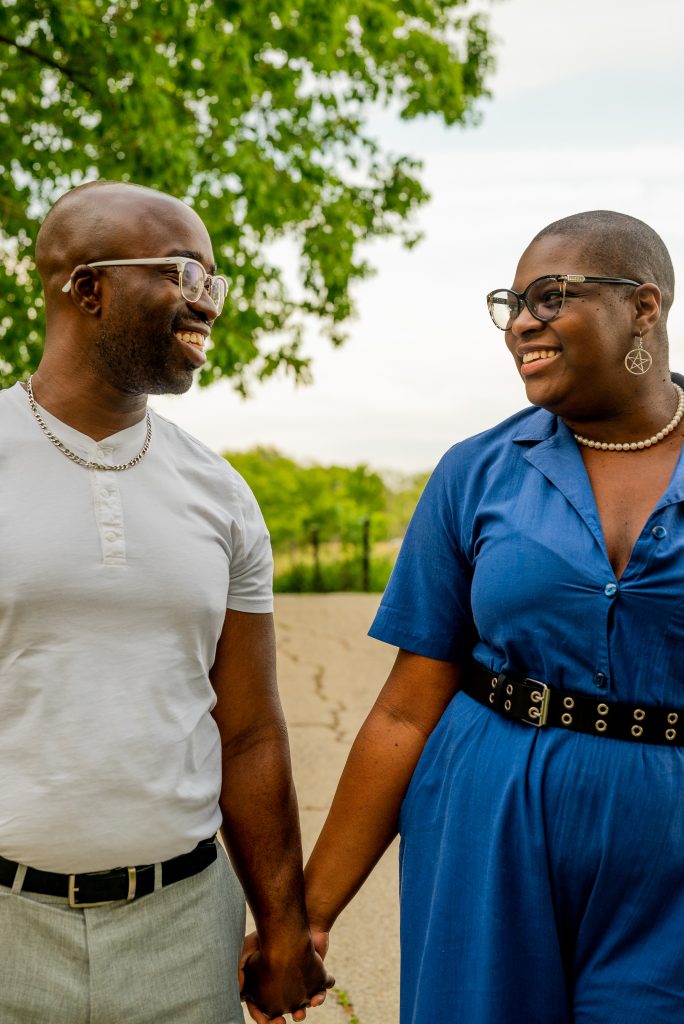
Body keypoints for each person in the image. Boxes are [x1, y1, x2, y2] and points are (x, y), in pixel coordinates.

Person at [301, 211, 684, 1023]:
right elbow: (407, 705)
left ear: (644, 307)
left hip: (668, 860)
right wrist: (310, 914)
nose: (522, 324)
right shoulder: (476, 473)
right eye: (511, 303)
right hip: (486, 827)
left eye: (550, 296)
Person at [0, 179, 332, 1024]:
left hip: (184, 935)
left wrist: (283, 927)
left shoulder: (220, 494)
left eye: (214, 282)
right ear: (87, 287)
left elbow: (251, 732)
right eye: (185, 273)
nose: (207, 304)